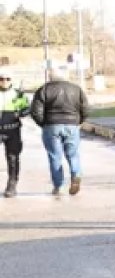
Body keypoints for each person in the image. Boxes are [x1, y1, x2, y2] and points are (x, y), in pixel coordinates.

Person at [29, 64, 89, 196]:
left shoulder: (44, 89)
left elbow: (35, 111)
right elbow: (86, 109)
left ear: (51, 76)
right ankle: (76, 174)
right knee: (73, 154)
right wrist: (79, 122)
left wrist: (44, 124)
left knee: (55, 156)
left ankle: (58, 186)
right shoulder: (76, 89)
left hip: (51, 125)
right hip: (72, 125)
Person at [0, 69, 30, 198]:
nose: (4, 81)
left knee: (12, 158)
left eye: (7, 79)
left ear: (11, 80)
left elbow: (27, 108)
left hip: (13, 129)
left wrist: (21, 113)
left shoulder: (19, 94)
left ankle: (12, 184)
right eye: (1, 79)